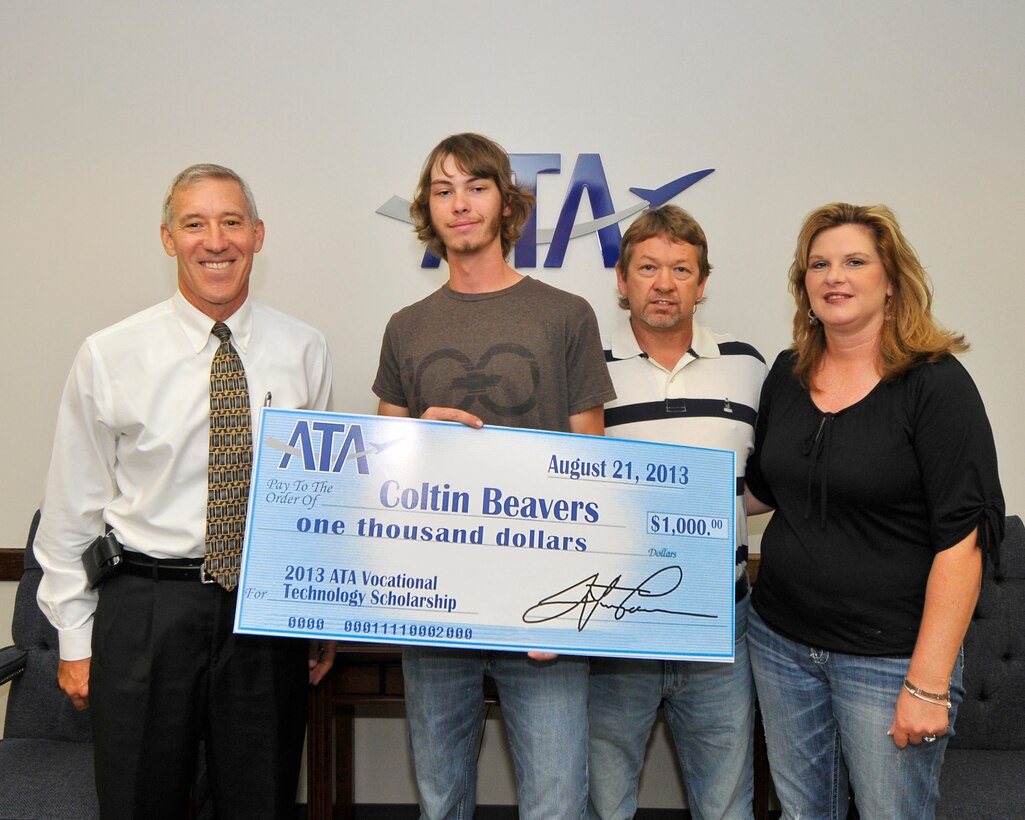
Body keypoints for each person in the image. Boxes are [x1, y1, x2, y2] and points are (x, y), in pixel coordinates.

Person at [34, 163, 336, 819]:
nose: (215, 240)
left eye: (231, 222)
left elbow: (312, 501)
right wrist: (75, 641)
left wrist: (312, 614)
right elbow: (70, 511)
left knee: (260, 801)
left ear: (258, 234)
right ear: (169, 239)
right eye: (194, 224)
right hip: (146, 611)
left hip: (262, 616)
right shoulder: (110, 354)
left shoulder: (304, 349)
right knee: (141, 801)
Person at [373, 132, 616, 820]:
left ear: (505, 204)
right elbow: (384, 462)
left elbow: (588, 467)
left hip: (541, 604)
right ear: (427, 210)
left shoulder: (565, 314)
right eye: (442, 190)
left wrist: (570, 605)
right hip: (433, 604)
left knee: (555, 802)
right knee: (440, 799)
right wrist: (423, 442)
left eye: (475, 187)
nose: (459, 204)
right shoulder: (405, 326)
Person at [744, 203, 1005, 819]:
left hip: (888, 662)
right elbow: (762, 489)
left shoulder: (936, 386)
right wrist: (632, 491)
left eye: (855, 261)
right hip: (781, 644)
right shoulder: (788, 372)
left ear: (891, 279)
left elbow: (964, 541)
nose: (835, 276)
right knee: (805, 813)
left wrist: (928, 682)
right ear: (803, 284)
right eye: (819, 264)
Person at [587, 205, 766, 820]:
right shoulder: (582, 365)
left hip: (721, 623)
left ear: (703, 282)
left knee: (726, 804)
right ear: (621, 279)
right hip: (612, 626)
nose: (664, 283)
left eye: (681, 269)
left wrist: (709, 517)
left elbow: (768, 481)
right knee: (603, 803)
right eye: (648, 267)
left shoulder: (748, 366)